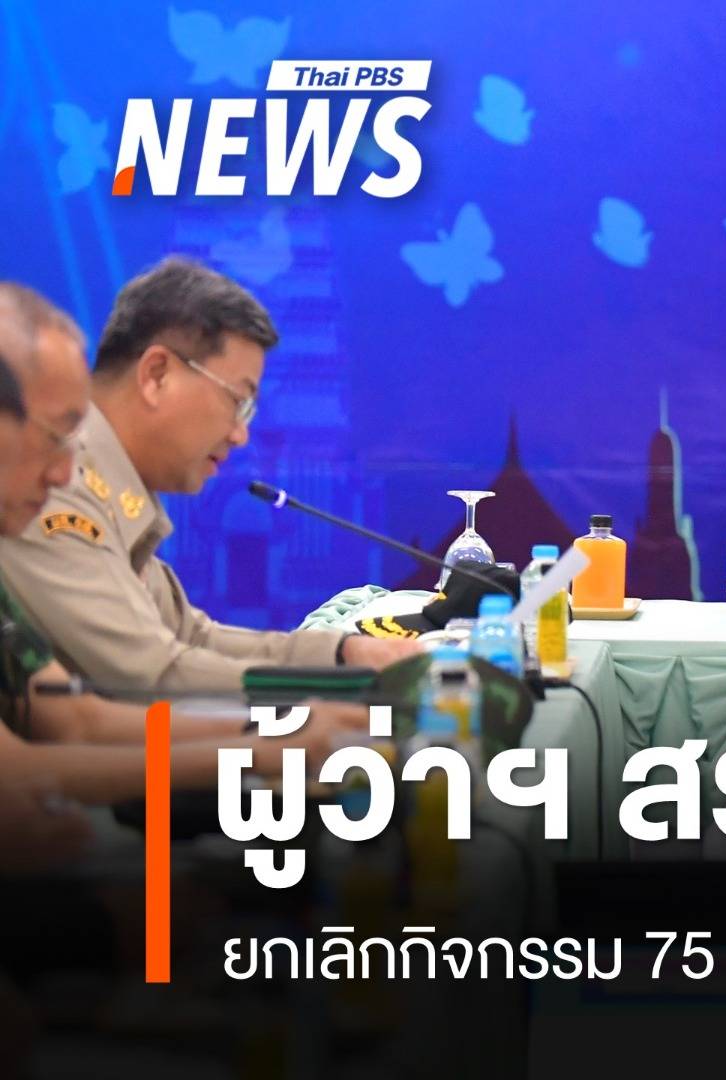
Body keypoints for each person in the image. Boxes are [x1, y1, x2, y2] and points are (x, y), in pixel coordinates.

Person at [0, 281, 356, 806]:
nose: (62, 472)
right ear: (156, 375)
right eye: (56, 436)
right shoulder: (62, 500)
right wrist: (266, 742)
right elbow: (18, 773)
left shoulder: (111, 499)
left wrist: (279, 730)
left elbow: (74, 720)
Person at [0, 259, 419, 696]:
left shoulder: (113, 492)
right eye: (238, 401)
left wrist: (344, 652)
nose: (240, 434)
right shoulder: (54, 489)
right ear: (157, 375)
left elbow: (193, 638)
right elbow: (155, 677)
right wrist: (346, 687)